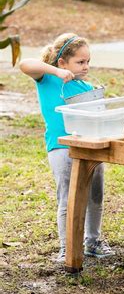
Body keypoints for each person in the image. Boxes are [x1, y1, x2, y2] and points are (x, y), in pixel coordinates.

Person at [19, 33, 114, 263]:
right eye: (80, 62)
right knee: (68, 197)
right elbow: (24, 64)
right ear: (63, 63)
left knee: (95, 196)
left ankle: (93, 241)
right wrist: (56, 72)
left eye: (88, 61)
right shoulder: (48, 79)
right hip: (61, 147)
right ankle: (67, 246)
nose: (86, 66)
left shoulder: (87, 86)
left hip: (91, 146)